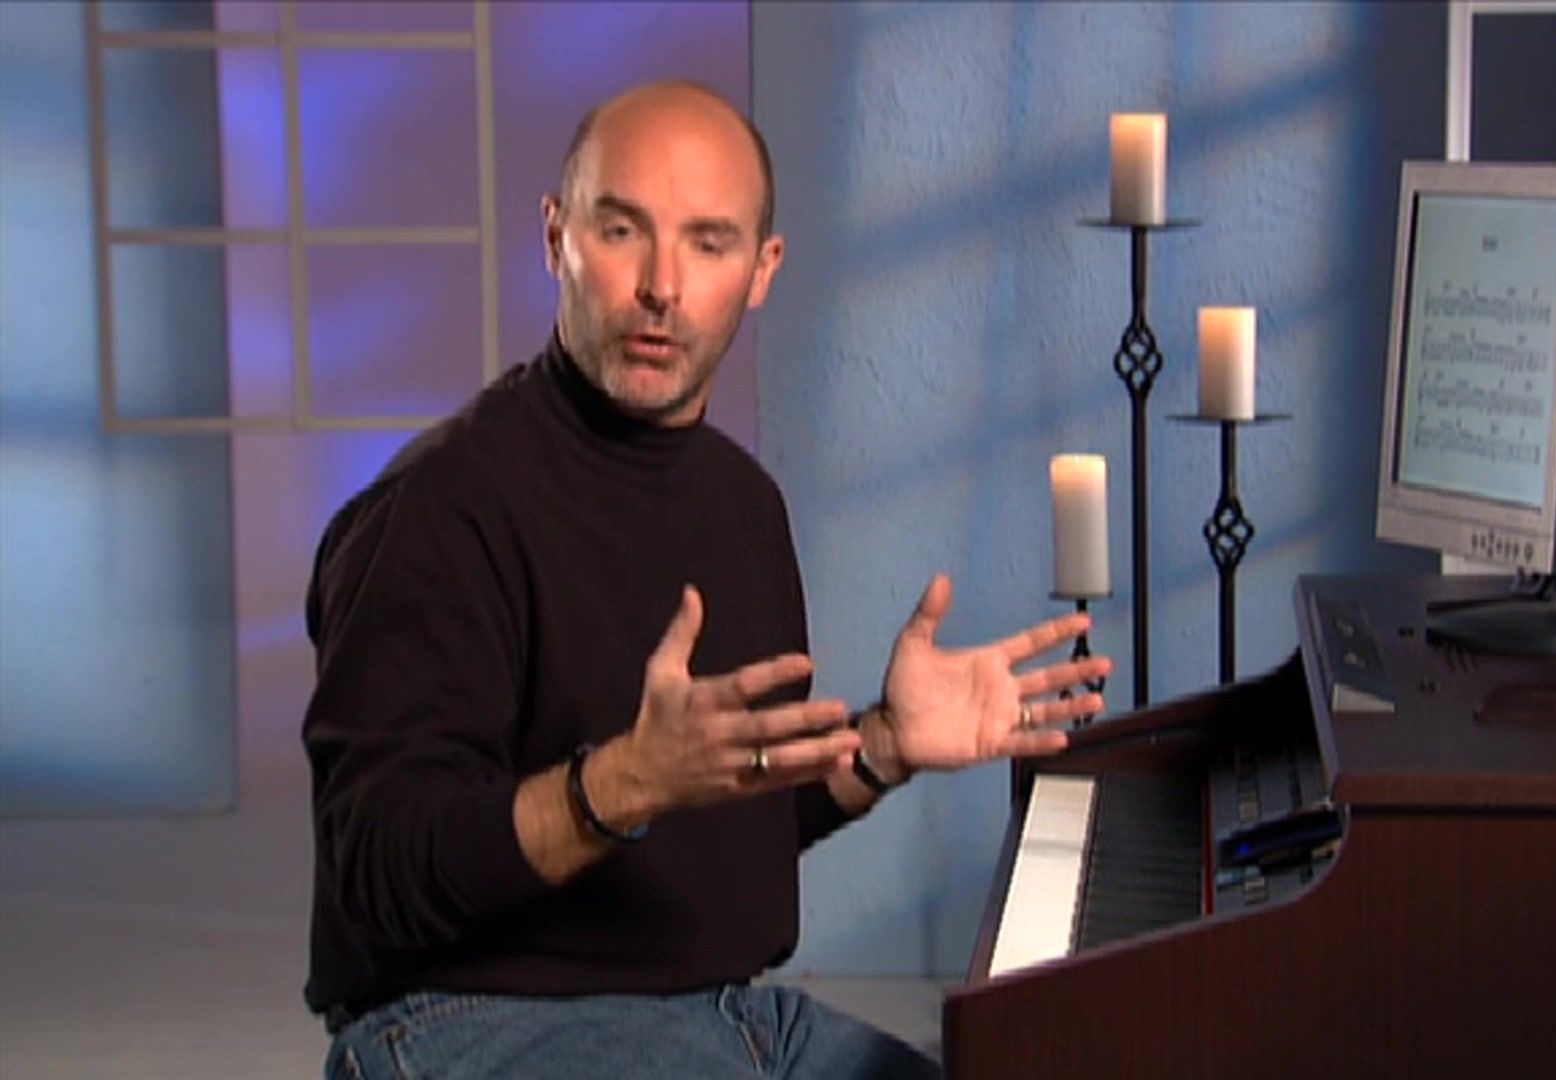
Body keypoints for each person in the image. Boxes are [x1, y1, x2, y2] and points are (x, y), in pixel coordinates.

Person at [301, 80, 1110, 1079]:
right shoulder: (438, 507)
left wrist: (882, 747)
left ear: (762, 270)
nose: (662, 286)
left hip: (727, 1015)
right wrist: (621, 782)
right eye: (622, 231)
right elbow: (377, 874)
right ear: (556, 238)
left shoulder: (743, 504)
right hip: (466, 1021)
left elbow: (717, 830)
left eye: (709, 243)